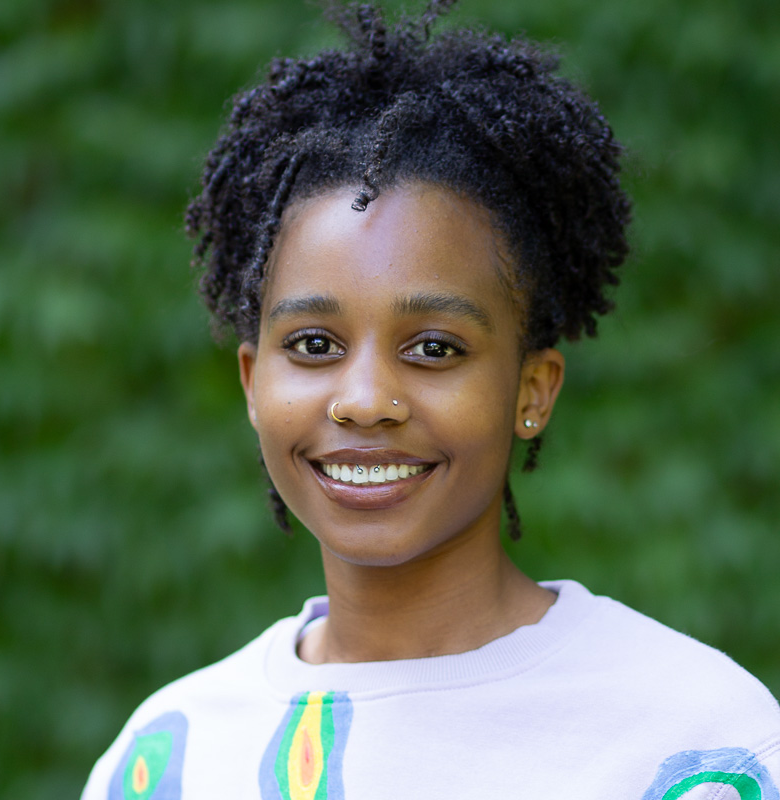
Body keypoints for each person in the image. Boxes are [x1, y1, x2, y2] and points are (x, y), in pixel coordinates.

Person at [81, 1, 780, 797]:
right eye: (314, 345)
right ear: (252, 382)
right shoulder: (166, 757)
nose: (365, 401)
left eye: (434, 348)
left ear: (532, 389)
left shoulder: (698, 741)